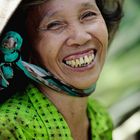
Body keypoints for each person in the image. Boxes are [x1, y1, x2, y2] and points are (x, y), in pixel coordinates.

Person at [0, 0, 124, 139]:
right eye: (54, 24)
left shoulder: (99, 117)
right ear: (20, 45)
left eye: (88, 14)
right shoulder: (10, 130)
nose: (81, 37)